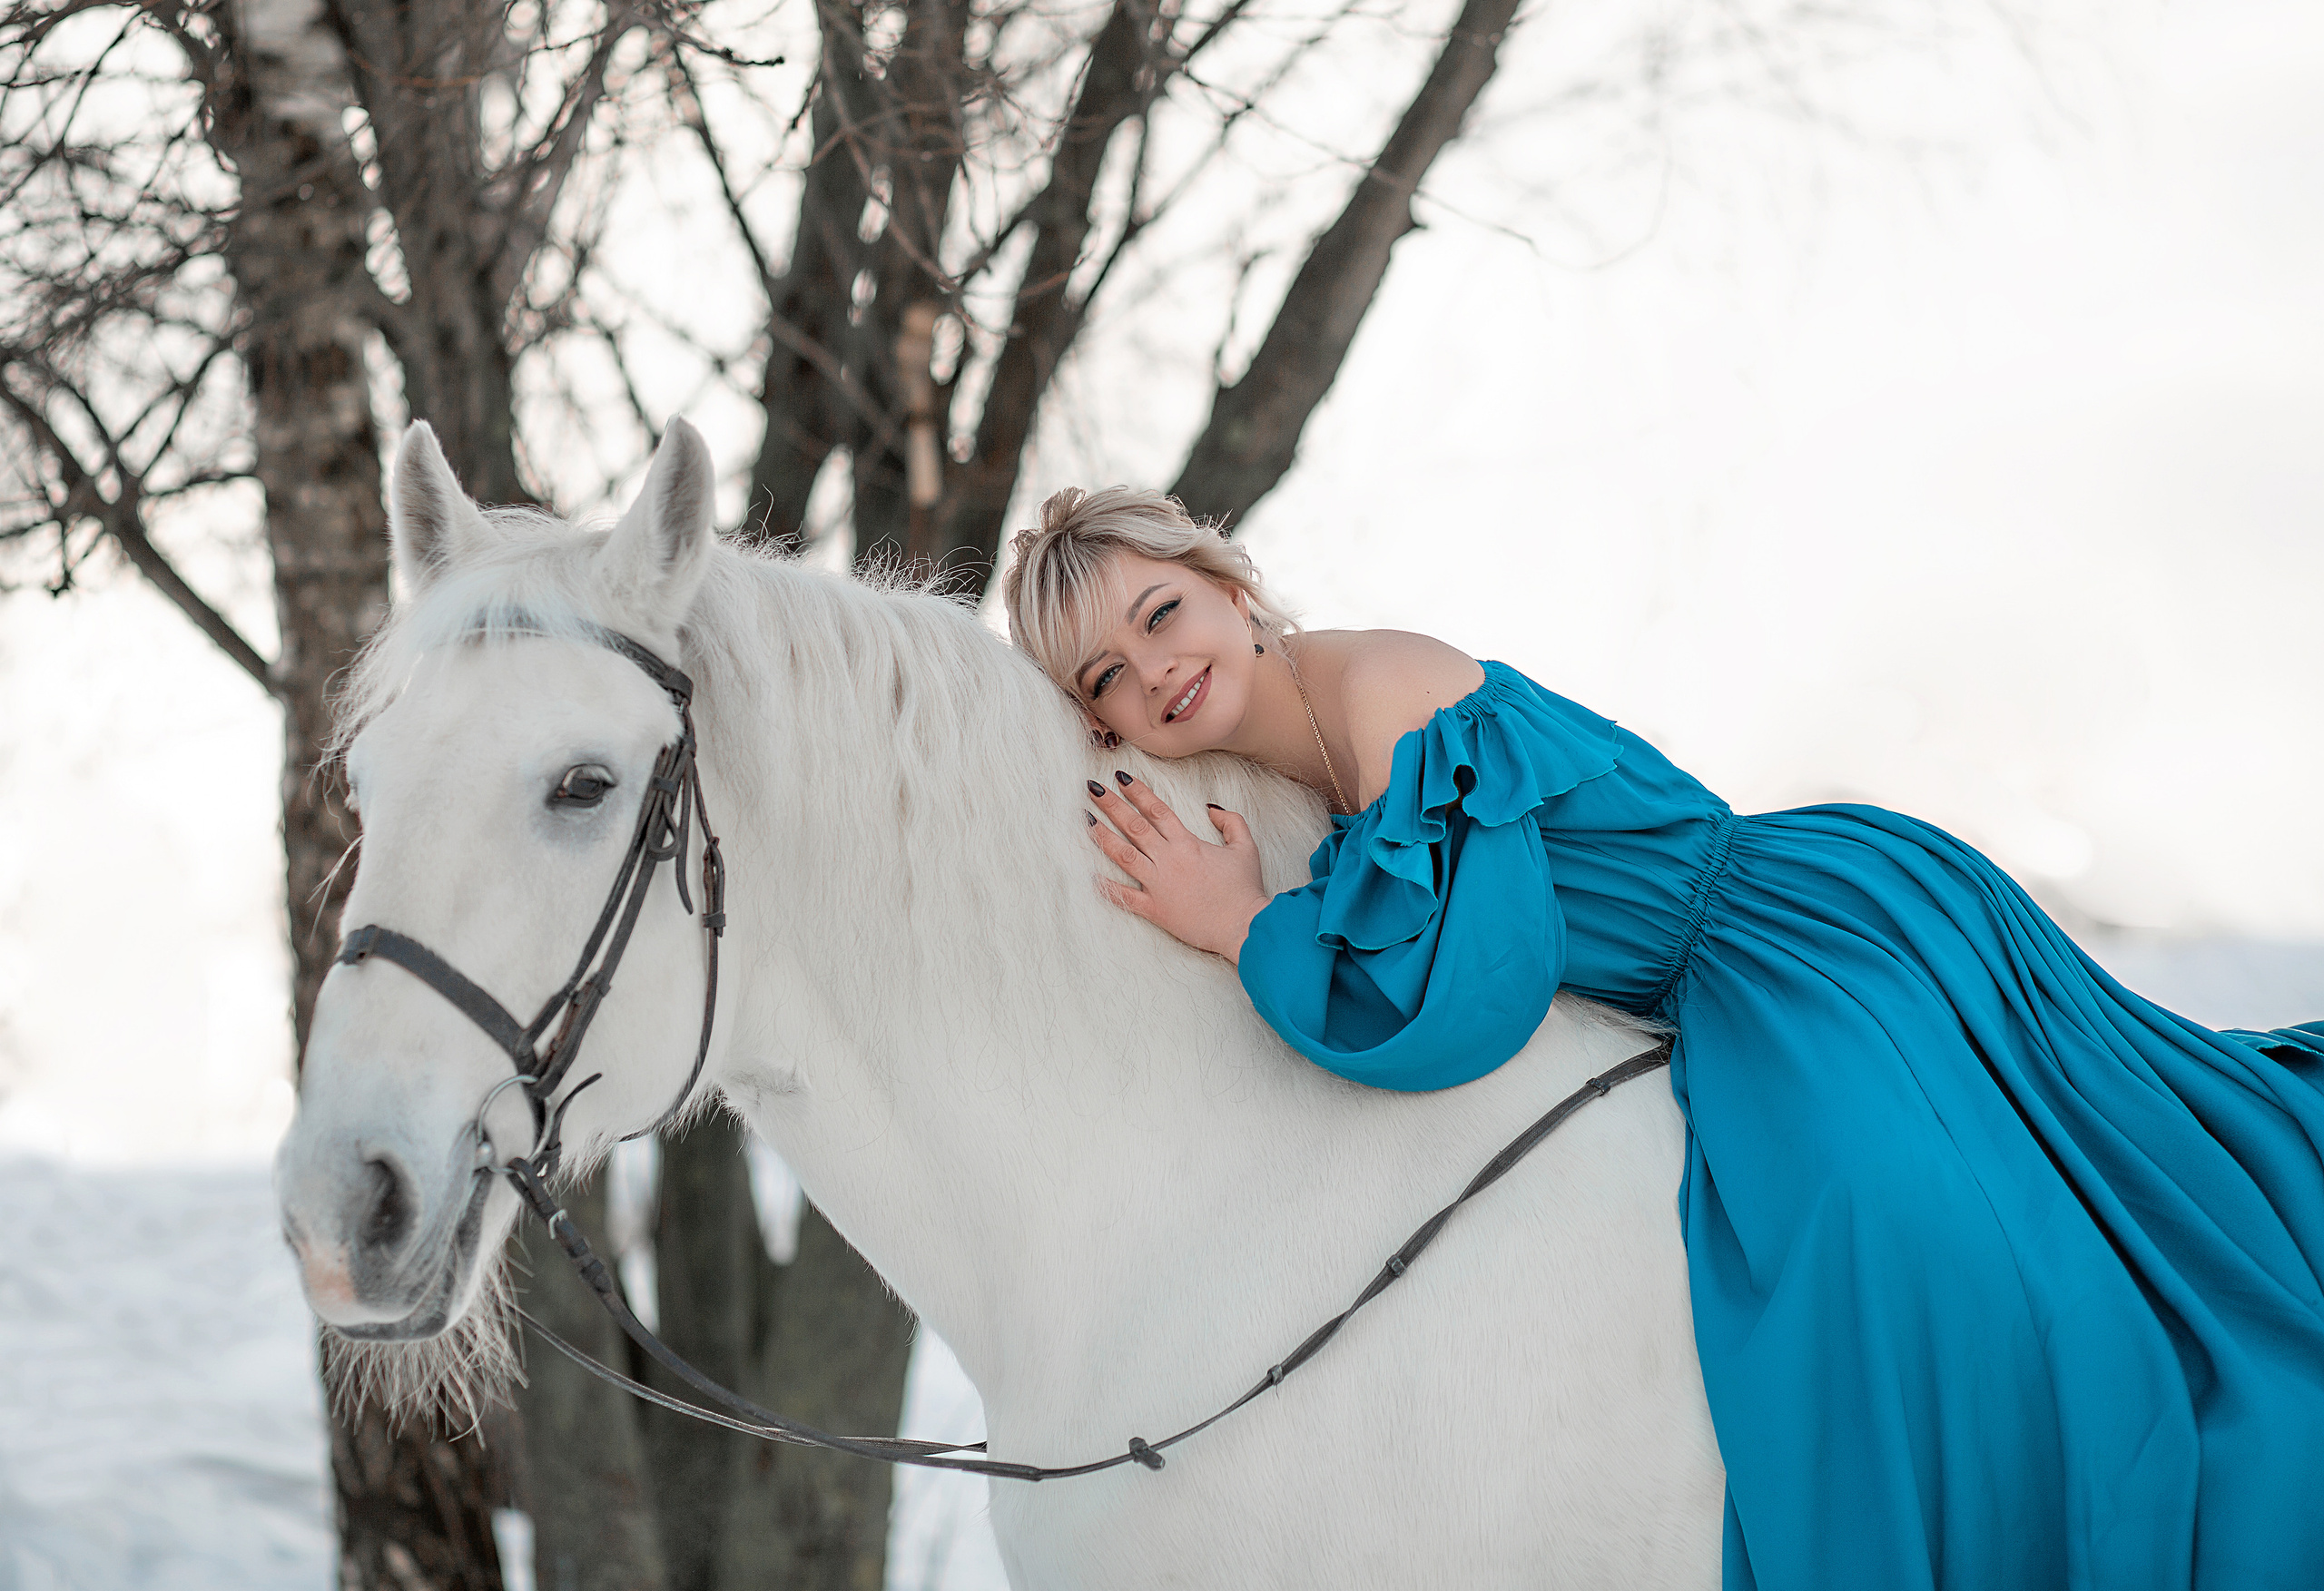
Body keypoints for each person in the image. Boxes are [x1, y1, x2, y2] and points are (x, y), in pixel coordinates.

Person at [1002, 485, 2324, 1591]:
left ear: (1228, 584)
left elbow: (1473, 998)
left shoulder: (1387, 686)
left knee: (1893, 1220)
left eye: (1159, 612)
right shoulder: (1317, 777)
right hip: (1738, 985)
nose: (1153, 669)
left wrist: (1245, 931)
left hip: (1811, 934)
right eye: (1103, 675)